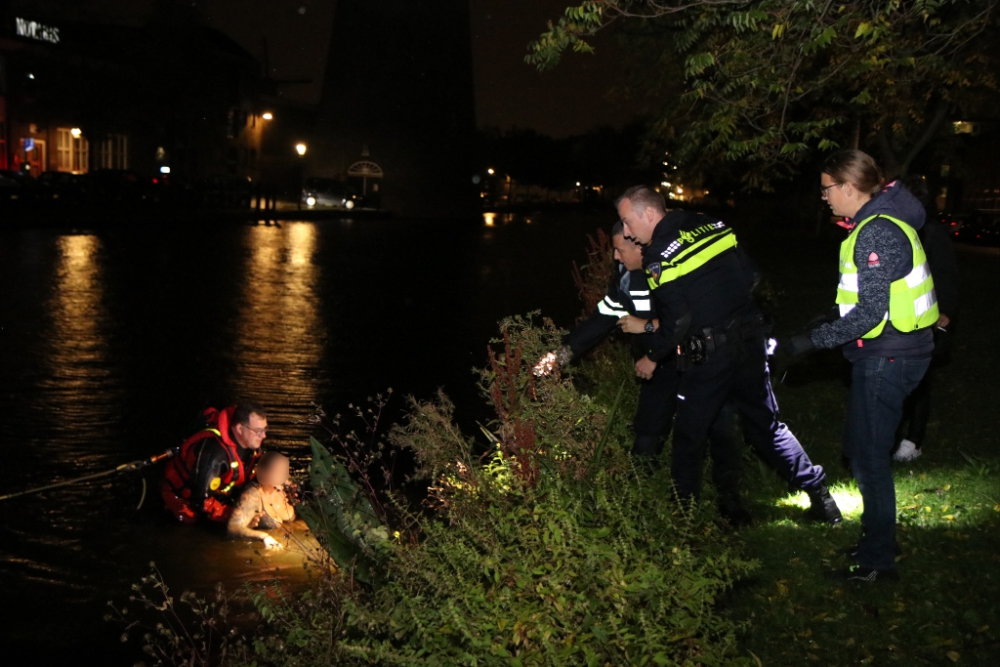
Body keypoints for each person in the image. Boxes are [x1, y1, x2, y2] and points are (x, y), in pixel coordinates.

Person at [616, 186, 842, 524]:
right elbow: (751, 276)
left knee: (690, 437)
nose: (629, 233)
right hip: (751, 343)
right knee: (767, 425)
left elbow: (677, 320)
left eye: (628, 223)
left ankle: (685, 521)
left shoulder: (659, 254)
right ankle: (822, 499)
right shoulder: (710, 224)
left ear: (649, 214)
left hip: (710, 357)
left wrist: (653, 356)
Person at [782, 150, 938, 582]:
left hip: (888, 356)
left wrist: (809, 342)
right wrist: (825, 321)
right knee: (861, 448)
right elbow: (859, 300)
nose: (824, 197)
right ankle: (879, 539)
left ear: (849, 188)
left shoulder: (876, 232)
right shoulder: (874, 224)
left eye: (827, 188)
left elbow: (869, 314)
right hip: (893, 352)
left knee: (869, 460)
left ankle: (876, 563)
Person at [537, 222, 750, 525]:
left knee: (721, 429)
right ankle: (640, 502)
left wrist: (646, 325)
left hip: (701, 362)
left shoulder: (673, 269)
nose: (615, 257)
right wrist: (558, 357)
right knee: (648, 434)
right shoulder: (626, 279)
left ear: (639, 245)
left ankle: (730, 502)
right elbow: (602, 319)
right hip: (657, 367)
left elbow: (692, 318)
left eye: (620, 249)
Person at [893, 175, 960, 462]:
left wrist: (945, 310)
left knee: (920, 382)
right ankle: (893, 436)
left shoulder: (931, 232)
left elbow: (947, 275)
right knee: (897, 382)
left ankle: (914, 439)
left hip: (928, 319)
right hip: (899, 319)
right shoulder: (893, 231)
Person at [161, 401, 267, 524]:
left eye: (265, 429)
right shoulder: (215, 453)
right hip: (183, 497)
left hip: (222, 493)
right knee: (190, 519)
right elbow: (200, 501)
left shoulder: (252, 444)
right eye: (258, 431)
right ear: (239, 429)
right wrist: (237, 516)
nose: (263, 435)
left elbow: (254, 474)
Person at [228, 451, 297, 549]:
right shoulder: (253, 496)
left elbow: (292, 524)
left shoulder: (286, 491)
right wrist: (264, 537)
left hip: (288, 544)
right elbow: (233, 528)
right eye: (277, 471)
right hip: (266, 550)